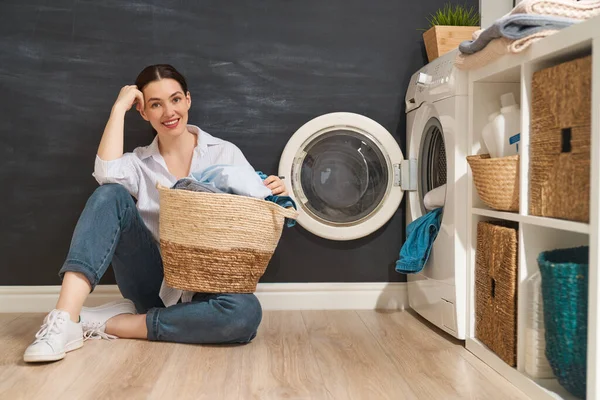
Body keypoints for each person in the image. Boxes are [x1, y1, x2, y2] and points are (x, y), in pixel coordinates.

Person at [23, 64, 287, 363]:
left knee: (245, 314)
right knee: (110, 193)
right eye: (155, 104)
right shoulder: (139, 162)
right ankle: (65, 319)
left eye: (175, 100)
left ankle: (110, 323)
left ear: (188, 100)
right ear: (144, 112)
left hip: (211, 286)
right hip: (153, 281)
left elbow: (252, 209)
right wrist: (119, 107)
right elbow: (105, 172)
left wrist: (271, 190)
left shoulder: (225, 153)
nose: (169, 112)